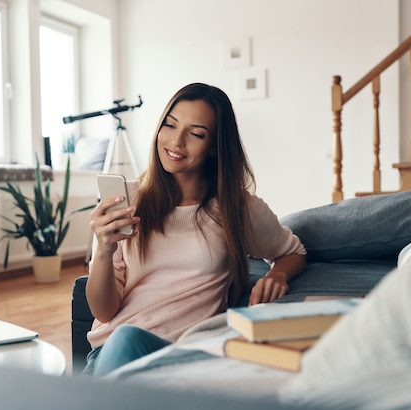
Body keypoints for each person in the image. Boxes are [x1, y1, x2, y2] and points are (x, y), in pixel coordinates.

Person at [85, 82, 306, 377]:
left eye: (196, 133)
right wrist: (103, 250)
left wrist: (277, 274)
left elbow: (293, 251)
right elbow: (103, 312)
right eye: (170, 125)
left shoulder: (236, 208)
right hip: (113, 352)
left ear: (215, 146)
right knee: (125, 337)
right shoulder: (128, 201)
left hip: (184, 354)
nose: (176, 141)